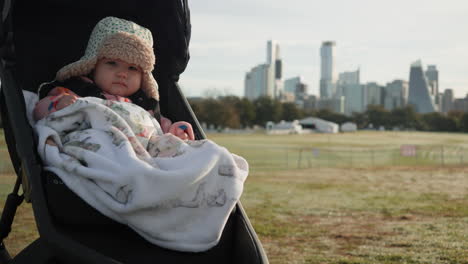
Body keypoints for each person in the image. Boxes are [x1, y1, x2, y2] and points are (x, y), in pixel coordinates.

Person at [33, 16, 194, 141]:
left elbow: (159, 128)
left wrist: (176, 133)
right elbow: (39, 111)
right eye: (112, 63)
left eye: (132, 68)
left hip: (140, 153)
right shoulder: (76, 90)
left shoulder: (144, 105)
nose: (123, 73)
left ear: (143, 77)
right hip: (97, 146)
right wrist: (58, 104)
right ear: (93, 65)